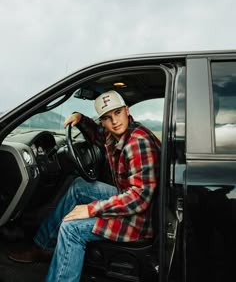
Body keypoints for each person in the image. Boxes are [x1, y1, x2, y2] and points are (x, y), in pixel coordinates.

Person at [9, 90, 161, 281]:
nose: (114, 121)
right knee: (80, 186)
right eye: (107, 117)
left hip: (139, 219)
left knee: (71, 228)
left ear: (127, 110)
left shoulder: (137, 143)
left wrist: (91, 209)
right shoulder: (118, 134)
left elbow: (139, 199)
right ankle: (43, 247)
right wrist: (81, 119)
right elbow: (99, 135)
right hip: (131, 201)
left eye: (117, 113)